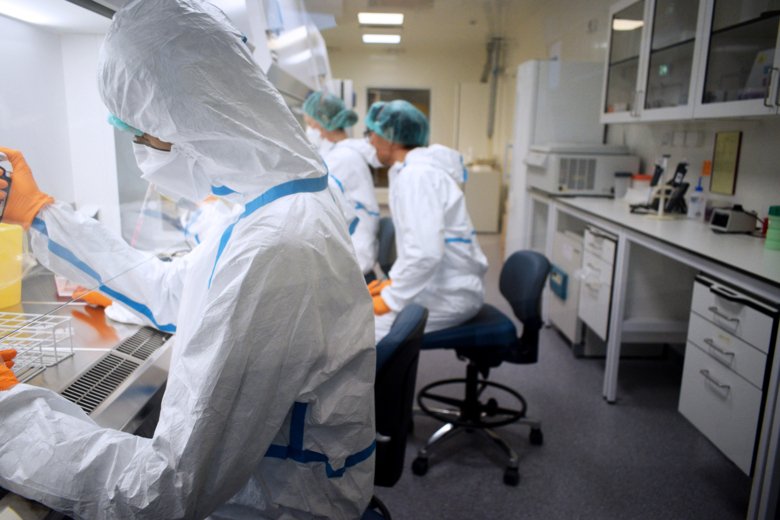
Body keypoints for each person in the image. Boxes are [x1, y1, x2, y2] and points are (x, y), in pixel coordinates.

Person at [0, 1, 376, 518]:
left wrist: (9, 414)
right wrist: (40, 215)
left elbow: (165, 490)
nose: (144, 151)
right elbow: (175, 293)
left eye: (144, 134)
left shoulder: (278, 243)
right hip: (272, 482)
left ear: (191, 118)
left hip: (280, 503)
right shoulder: (280, 200)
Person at [365, 100, 488, 342]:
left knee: (362, 331)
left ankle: (390, 380)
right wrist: (392, 283)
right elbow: (416, 247)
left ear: (390, 138)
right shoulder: (413, 171)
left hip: (451, 295)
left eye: (372, 134)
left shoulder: (417, 176)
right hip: (440, 283)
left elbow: (425, 252)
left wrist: (392, 298)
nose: (370, 141)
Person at [303, 92, 380, 278]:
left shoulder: (342, 158)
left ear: (323, 123)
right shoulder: (340, 152)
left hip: (357, 257)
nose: (309, 130)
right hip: (357, 247)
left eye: (311, 124)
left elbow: (313, 197)